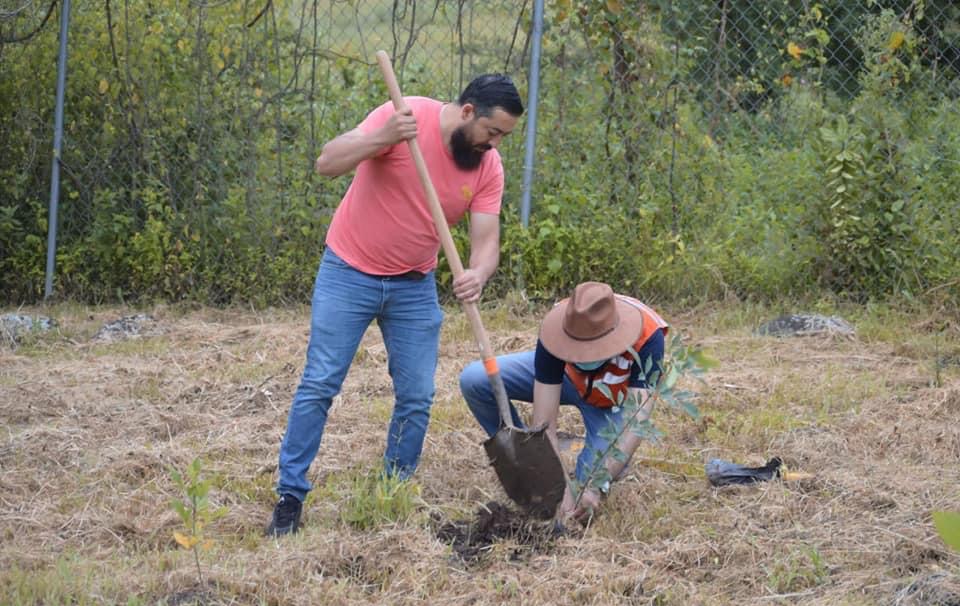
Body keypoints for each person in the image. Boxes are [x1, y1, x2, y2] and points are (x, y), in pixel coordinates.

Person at [266, 75, 524, 536]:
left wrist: (477, 273)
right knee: (321, 382)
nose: (495, 143)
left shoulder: (487, 165)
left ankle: (393, 487)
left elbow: (487, 241)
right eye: (493, 132)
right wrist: (384, 138)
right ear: (468, 112)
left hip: (413, 285)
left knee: (417, 395)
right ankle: (290, 496)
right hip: (349, 272)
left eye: (503, 136)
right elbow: (327, 162)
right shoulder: (405, 117)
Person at [460, 281, 668, 523]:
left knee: (583, 493)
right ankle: (521, 454)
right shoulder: (557, 326)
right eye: (577, 348)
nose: (583, 355)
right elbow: (544, 421)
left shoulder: (648, 335)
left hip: (611, 404)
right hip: (568, 381)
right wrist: (555, 488)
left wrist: (596, 484)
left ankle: (610, 464)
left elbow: (636, 420)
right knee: (475, 379)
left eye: (590, 350)